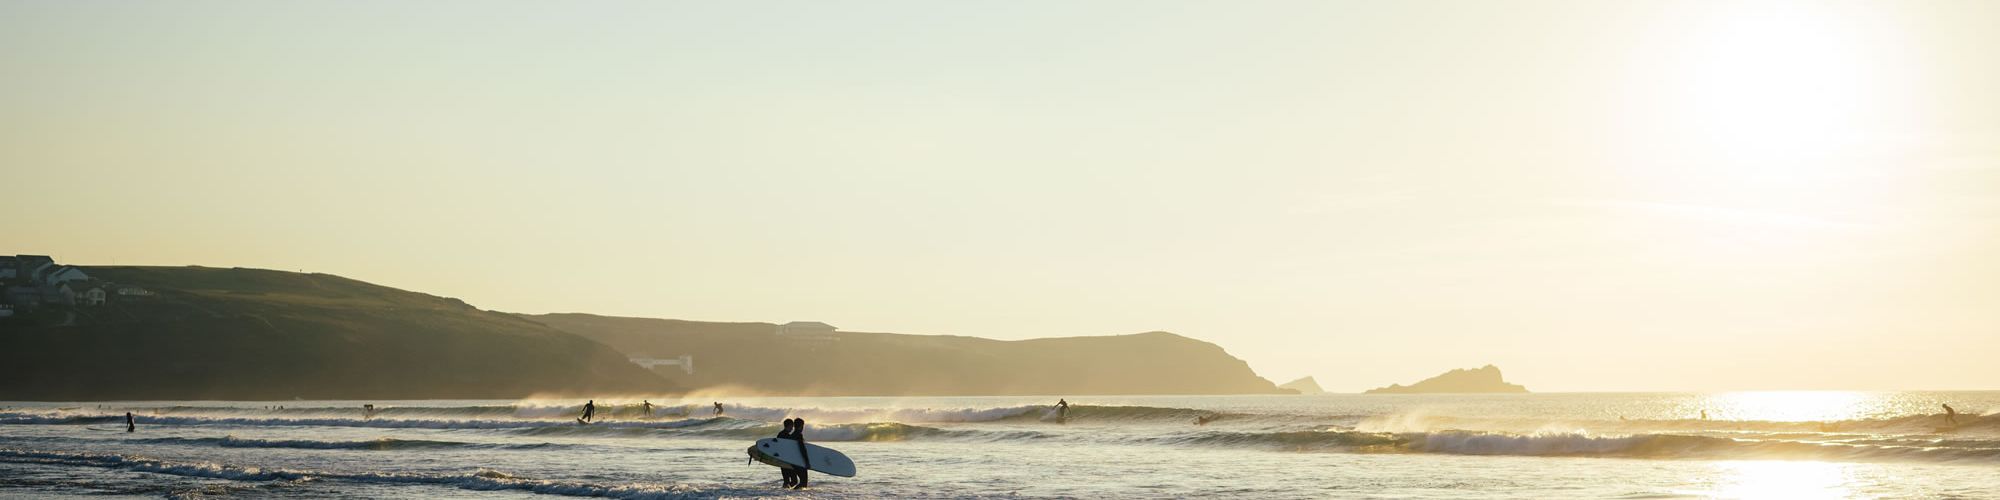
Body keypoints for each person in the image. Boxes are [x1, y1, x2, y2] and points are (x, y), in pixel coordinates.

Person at [791, 418, 810, 489]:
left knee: (802, 482)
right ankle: (793, 493)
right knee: (803, 482)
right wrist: (807, 462)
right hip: (799, 461)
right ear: (801, 426)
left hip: (793, 461)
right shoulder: (798, 435)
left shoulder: (792, 435)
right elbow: (802, 449)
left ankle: (793, 493)